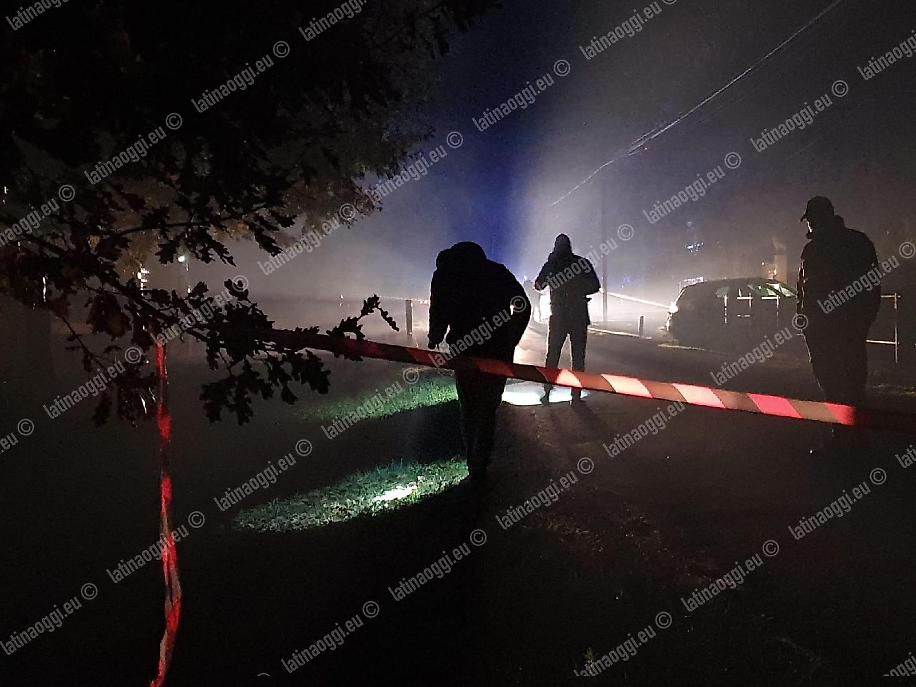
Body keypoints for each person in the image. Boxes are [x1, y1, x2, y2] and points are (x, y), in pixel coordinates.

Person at [428, 242, 530, 478]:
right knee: (488, 407)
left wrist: (435, 336)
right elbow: (522, 305)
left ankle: (473, 463)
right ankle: (480, 462)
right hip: (498, 350)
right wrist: (511, 337)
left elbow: (438, 309)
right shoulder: (497, 272)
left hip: (465, 349)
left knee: (469, 406)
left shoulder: (445, 275)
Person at [796, 196, 881, 455]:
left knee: (842, 382)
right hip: (833, 330)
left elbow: (869, 288)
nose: (810, 224)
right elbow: (804, 289)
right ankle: (850, 437)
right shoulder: (855, 242)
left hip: (838, 329)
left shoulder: (829, 248)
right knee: (842, 383)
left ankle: (848, 439)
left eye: (811, 219)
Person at [534, 234, 600, 403]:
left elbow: (538, 285)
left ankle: (547, 391)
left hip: (559, 315)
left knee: (553, 355)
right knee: (578, 357)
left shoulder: (552, 264)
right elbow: (595, 285)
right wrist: (578, 290)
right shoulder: (581, 263)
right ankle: (575, 395)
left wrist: (551, 272)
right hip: (578, 315)